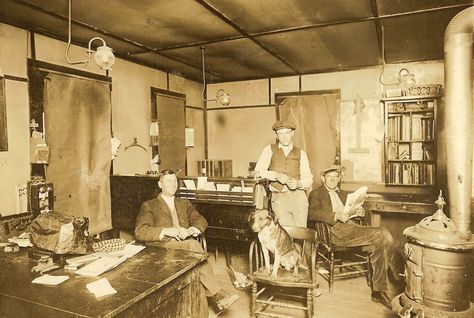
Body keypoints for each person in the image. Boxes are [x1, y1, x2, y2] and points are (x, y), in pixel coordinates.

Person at [135, 169, 238, 313]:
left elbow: (201, 220)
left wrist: (189, 230)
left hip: (185, 247)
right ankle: (216, 294)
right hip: (162, 248)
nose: (172, 184)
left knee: (195, 260)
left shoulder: (184, 203)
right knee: (194, 245)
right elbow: (140, 231)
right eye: (168, 181)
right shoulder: (149, 205)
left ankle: (207, 306)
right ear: (160, 184)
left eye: (175, 181)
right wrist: (166, 230)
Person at [308, 165, 403, 309]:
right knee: (382, 232)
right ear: (323, 178)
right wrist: (336, 215)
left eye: (336, 177)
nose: (333, 179)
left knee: (379, 243)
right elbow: (312, 213)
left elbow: (356, 209)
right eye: (329, 177)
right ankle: (401, 277)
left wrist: (360, 212)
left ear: (339, 178)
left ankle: (378, 292)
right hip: (335, 231)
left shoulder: (344, 194)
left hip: (352, 228)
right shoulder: (316, 193)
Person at [254, 119, 313, 227]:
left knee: (300, 234)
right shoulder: (269, 150)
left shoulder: (301, 153)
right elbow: (258, 171)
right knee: (285, 234)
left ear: (292, 133)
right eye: (280, 133)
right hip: (279, 198)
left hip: (298, 198)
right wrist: (275, 175)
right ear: (276, 135)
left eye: (287, 133)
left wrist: (299, 184)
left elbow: (309, 178)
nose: (284, 136)